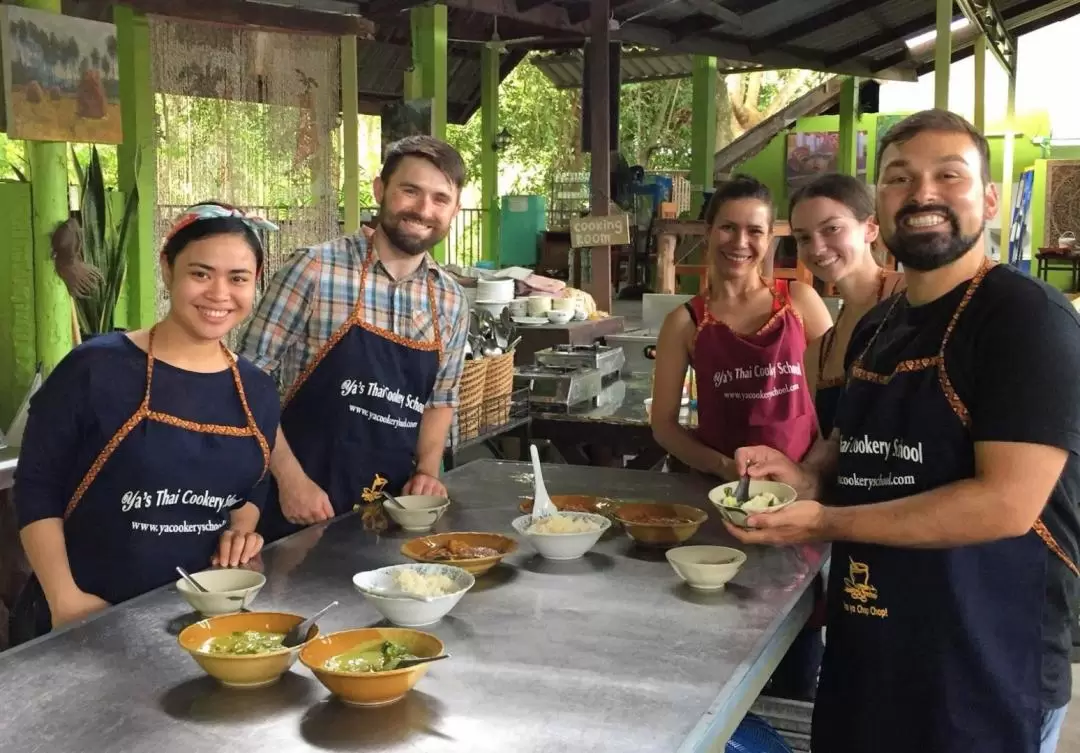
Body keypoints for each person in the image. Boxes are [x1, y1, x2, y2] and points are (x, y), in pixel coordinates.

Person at [729, 109, 1080, 753]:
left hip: (985, 658)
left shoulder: (1025, 318)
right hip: (874, 637)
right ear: (882, 206)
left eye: (950, 175)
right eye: (899, 178)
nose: (922, 194)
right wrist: (803, 476)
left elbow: (1005, 503)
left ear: (991, 198)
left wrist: (823, 521)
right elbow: (852, 447)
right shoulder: (878, 323)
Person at [10, 203, 280, 643]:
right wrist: (65, 600)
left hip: (197, 621)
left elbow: (254, 488)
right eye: (200, 273)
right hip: (84, 614)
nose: (219, 294)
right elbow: (37, 485)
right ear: (168, 268)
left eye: (238, 279)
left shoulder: (257, 391)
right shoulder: (96, 367)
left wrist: (241, 534)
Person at [239, 135, 470, 542]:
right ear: (380, 190)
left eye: (440, 199)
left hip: (392, 512)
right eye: (410, 191)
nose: (423, 209)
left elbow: (440, 401)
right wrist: (291, 481)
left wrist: (427, 473)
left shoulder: (450, 299)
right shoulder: (314, 270)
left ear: (454, 209)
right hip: (300, 506)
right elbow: (243, 383)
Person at [651, 174, 833, 482]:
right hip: (723, 491)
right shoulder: (684, 322)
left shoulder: (799, 301)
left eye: (754, 231)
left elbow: (842, 400)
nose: (740, 242)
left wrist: (808, 472)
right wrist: (724, 468)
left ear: (769, 238)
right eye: (728, 228)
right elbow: (664, 426)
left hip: (801, 484)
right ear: (708, 232)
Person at [792, 173, 906, 437]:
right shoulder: (817, 354)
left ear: (870, 228)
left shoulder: (910, 297)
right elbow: (825, 447)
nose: (817, 248)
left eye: (831, 229)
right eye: (804, 238)